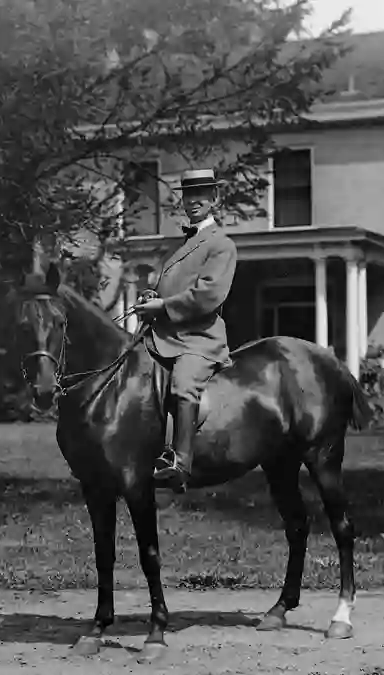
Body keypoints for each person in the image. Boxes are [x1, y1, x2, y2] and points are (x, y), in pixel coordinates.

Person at [132, 168, 238, 493]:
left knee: (183, 383)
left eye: (202, 195)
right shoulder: (179, 246)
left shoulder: (221, 245)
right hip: (163, 335)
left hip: (199, 338)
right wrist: (153, 298)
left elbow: (207, 295)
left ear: (215, 199)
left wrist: (163, 307)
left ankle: (181, 462)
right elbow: (172, 288)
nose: (194, 202)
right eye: (188, 195)